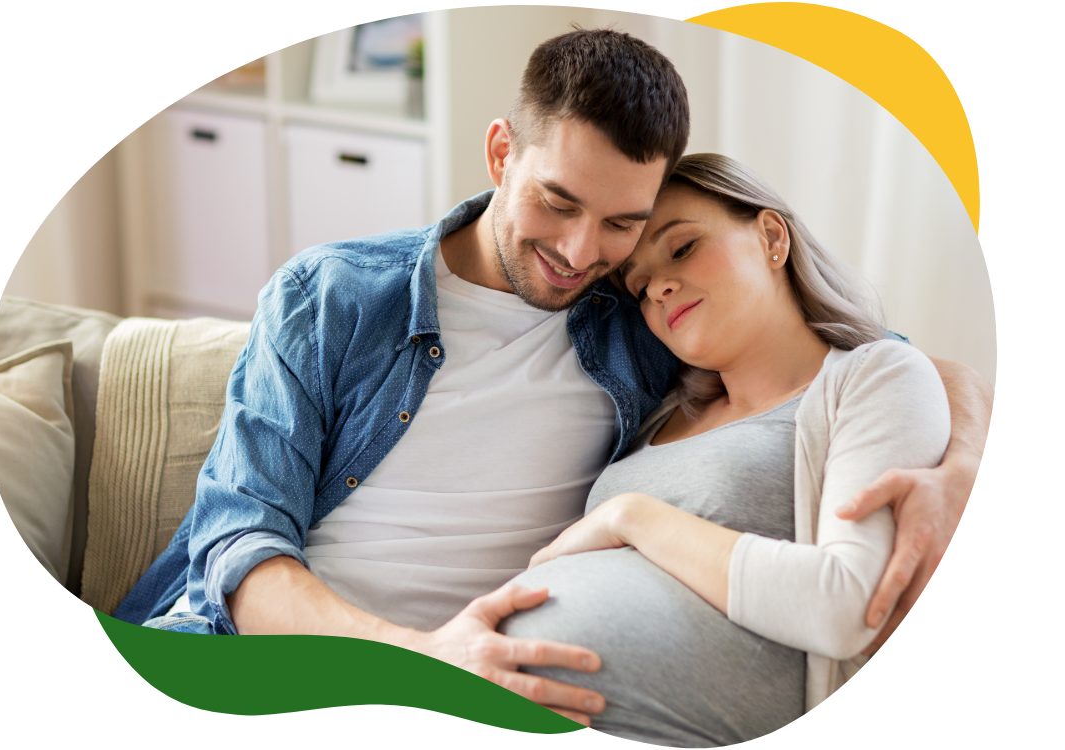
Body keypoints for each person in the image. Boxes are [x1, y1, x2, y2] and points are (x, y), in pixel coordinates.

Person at [117, 29, 992, 728]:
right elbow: (237, 549)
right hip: (264, 658)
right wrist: (420, 656)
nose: (581, 254)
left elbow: (876, 354)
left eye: (624, 222)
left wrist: (952, 476)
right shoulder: (335, 295)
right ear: (502, 152)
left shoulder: (643, 318)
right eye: (558, 202)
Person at [498, 152, 952, 744]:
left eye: (682, 248)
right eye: (638, 285)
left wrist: (630, 516)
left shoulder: (876, 376)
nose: (658, 286)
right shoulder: (658, 413)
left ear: (771, 237)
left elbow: (848, 606)